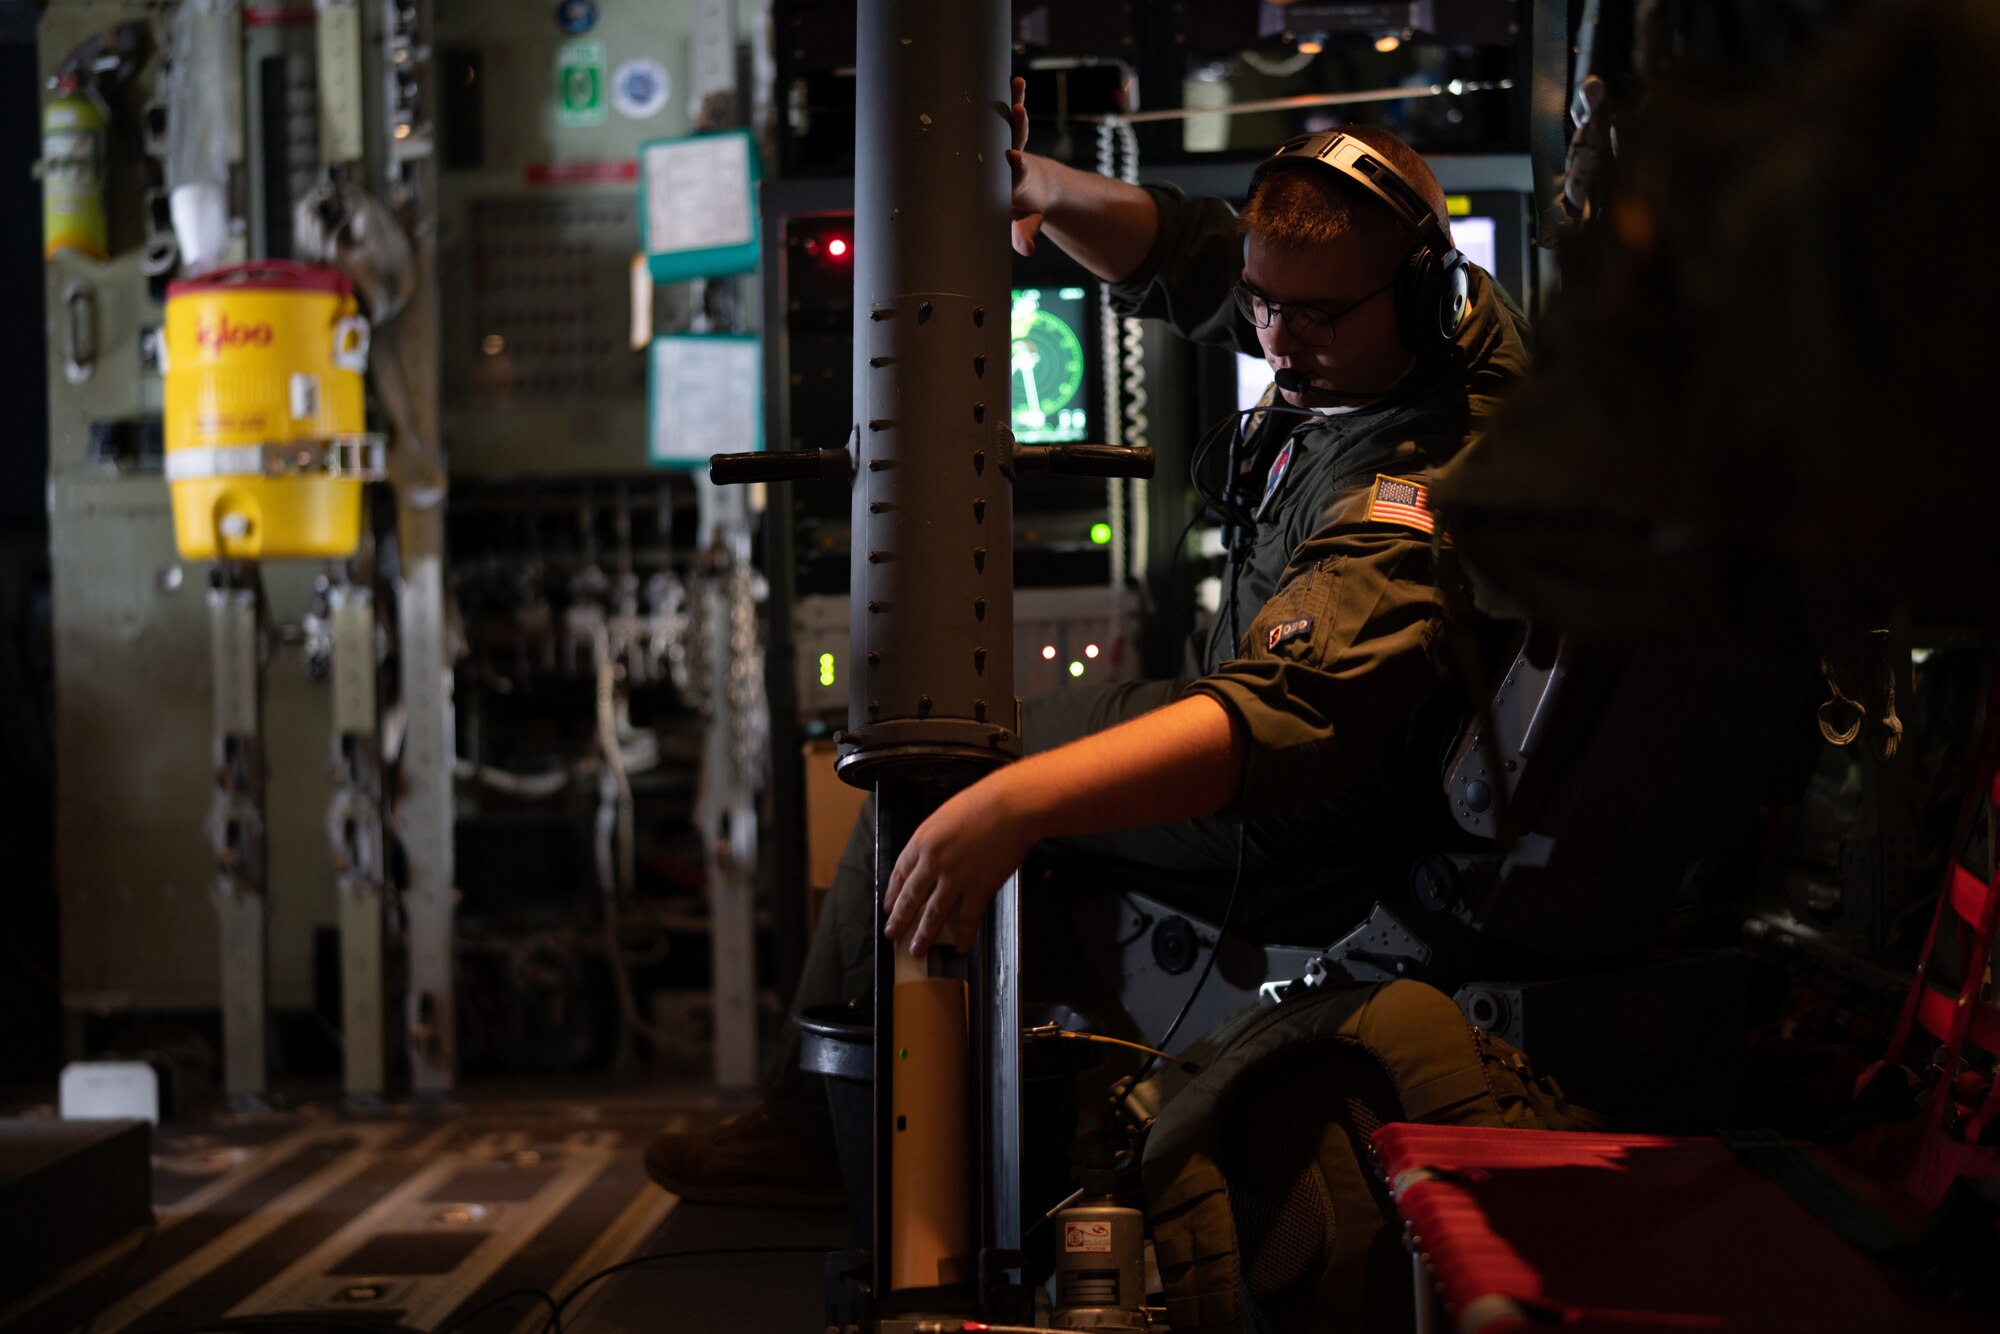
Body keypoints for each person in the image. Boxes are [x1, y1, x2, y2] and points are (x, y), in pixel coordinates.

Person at [646, 80, 1533, 1205]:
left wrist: (1013, 800)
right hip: (1288, 752)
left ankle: (822, 1131)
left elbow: (1288, 717)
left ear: (1414, 291)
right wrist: (1044, 189)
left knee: (941, 768)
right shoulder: (1422, 317)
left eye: (1312, 319)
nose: (1277, 343)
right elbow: (1208, 258)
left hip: (1307, 811)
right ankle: (1010, 1130)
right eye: (1265, 309)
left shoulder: (1413, 481)